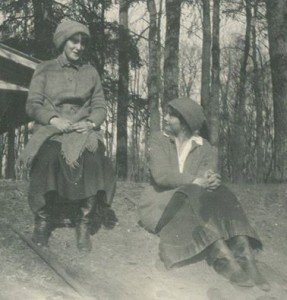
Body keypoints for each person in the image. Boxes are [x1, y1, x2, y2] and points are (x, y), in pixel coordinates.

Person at [138, 97, 270, 290]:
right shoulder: (159, 140)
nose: (165, 118)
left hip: (192, 200)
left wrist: (212, 179)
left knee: (221, 191)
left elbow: (205, 177)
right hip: (162, 202)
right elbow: (161, 175)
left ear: (184, 122)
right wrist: (195, 180)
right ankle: (223, 259)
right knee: (193, 192)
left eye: (171, 115)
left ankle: (244, 253)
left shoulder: (204, 147)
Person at [20, 20, 117, 253]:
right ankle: (43, 219)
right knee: (47, 157)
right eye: (74, 41)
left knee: (94, 159)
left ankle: (83, 222)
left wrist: (91, 122)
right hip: (52, 130)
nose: (79, 46)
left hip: (82, 130)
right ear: (63, 41)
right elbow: (32, 105)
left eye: (83, 42)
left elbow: (100, 107)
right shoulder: (44, 69)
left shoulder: (91, 72)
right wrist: (54, 120)